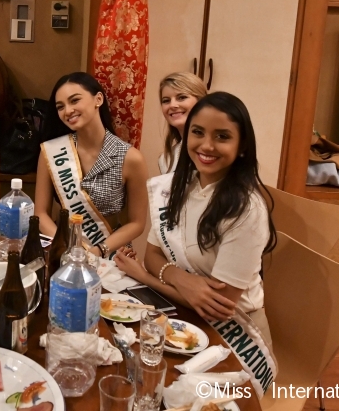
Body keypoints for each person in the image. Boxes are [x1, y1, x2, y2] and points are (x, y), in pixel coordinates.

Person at [114, 92, 278, 396]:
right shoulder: (179, 185)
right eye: (198, 132)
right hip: (184, 316)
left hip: (235, 338)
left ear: (242, 145)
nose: (206, 145)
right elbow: (152, 254)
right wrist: (181, 279)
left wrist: (145, 277)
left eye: (222, 136)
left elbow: (216, 307)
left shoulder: (246, 209)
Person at [33, 72, 148, 259]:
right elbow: (40, 213)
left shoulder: (131, 158)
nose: (67, 111)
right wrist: (68, 246)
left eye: (74, 100)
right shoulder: (52, 151)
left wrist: (97, 251)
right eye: (60, 107)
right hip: (64, 250)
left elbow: (137, 223)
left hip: (112, 254)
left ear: (98, 99)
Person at [158, 71, 207, 174]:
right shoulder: (166, 159)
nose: (172, 105)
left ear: (201, 101)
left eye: (181, 97)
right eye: (166, 100)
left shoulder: (213, 149)